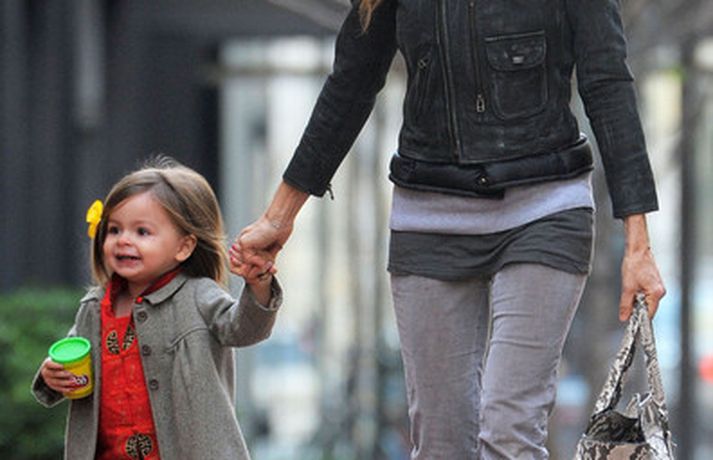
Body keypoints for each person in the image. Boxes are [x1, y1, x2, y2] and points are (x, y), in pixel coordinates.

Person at [231, 0, 666, 458]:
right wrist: (279, 217)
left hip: (544, 206)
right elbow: (351, 82)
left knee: (510, 428)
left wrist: (638, 244)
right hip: (429, 213)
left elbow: (607, 81)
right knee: (441, 443)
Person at [32, 158, 282, 460]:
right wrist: (52, 375)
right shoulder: (94, 308)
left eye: (142, 232)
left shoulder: (198, 296)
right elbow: (72, 360)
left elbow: (245, 329)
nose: (123, 241)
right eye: (114, 230)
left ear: (183, 247)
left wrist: (258, 285)